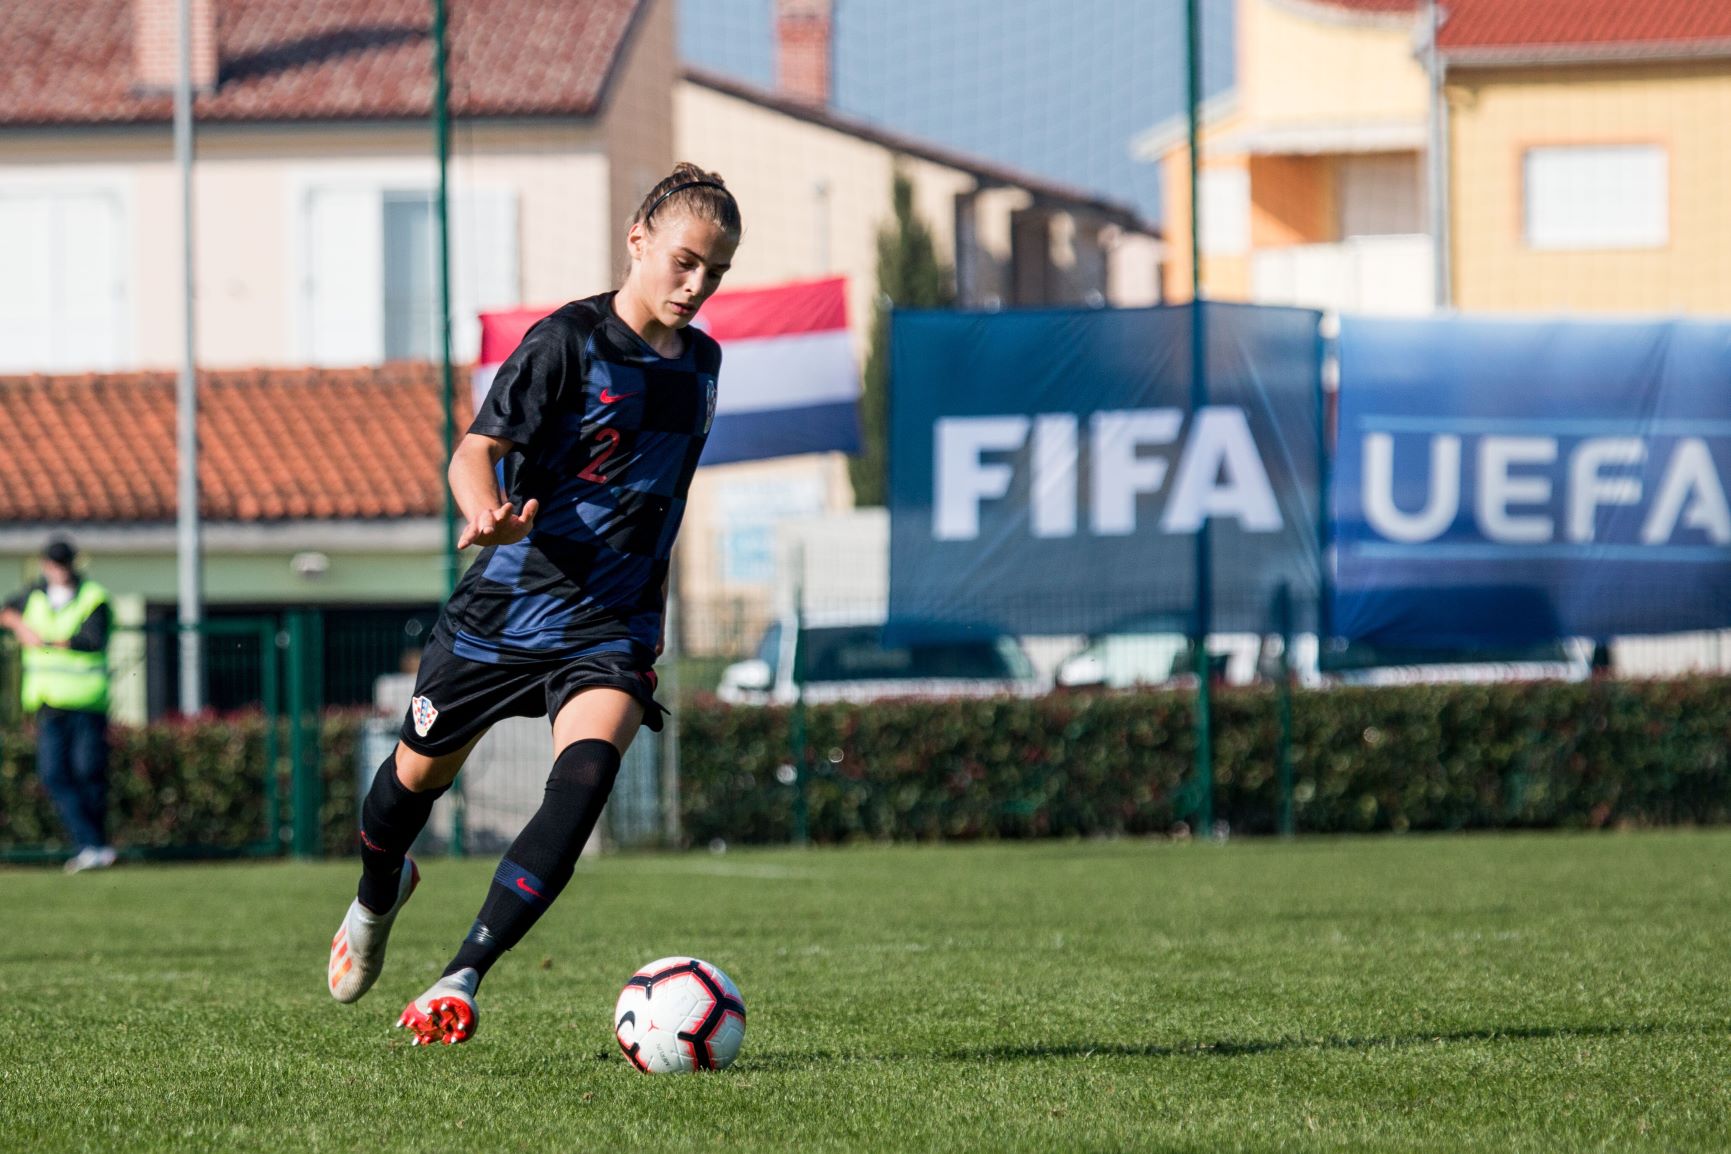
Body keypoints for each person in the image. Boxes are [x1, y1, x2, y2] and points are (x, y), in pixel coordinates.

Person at [326, 163, 741, 1046]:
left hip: (611, 627)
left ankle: (462, 975)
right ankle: (377, 894)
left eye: (715, 271)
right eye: (684, 261)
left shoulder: (703, 365)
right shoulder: (567, 341)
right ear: (637, 240)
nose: (696, 285)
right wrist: (487, 513)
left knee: (584, 781)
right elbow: (473, 452)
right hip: (506, 613)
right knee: (408, 788)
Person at [0, 537, 115, 873]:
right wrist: (21, 627)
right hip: (49, 702)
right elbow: (6, 612)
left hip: (87, 701)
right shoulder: (33, 595)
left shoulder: (93, 597)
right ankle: (91, 844)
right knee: (53, 774)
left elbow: (93, 638)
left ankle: (95, 846)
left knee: (88, 771)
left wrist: (49, 641)